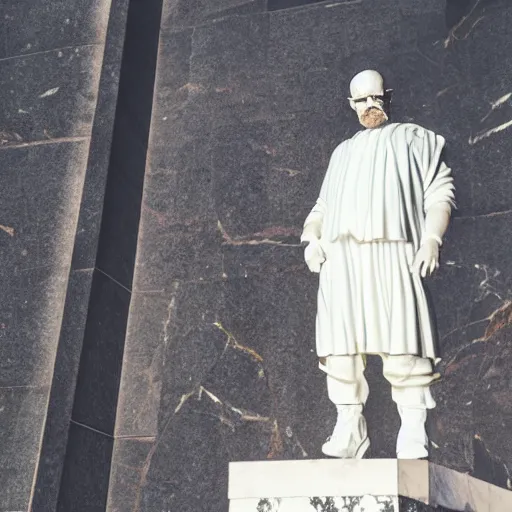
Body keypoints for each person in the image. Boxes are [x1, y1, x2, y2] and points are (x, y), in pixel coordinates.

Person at [301, 70, 455, 459]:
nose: (369, 105)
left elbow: (440, 193)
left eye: (375, 97)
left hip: (393, 251)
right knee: (340, 348)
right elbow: (321, 207)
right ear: (351, 105)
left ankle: (414, 424)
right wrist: (311, 239)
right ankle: (349, 425)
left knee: (402, 338)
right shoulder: (342, 152)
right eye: (361, 100)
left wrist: (431, 240)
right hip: (341, 259)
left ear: (387, 96)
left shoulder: (413, 139)